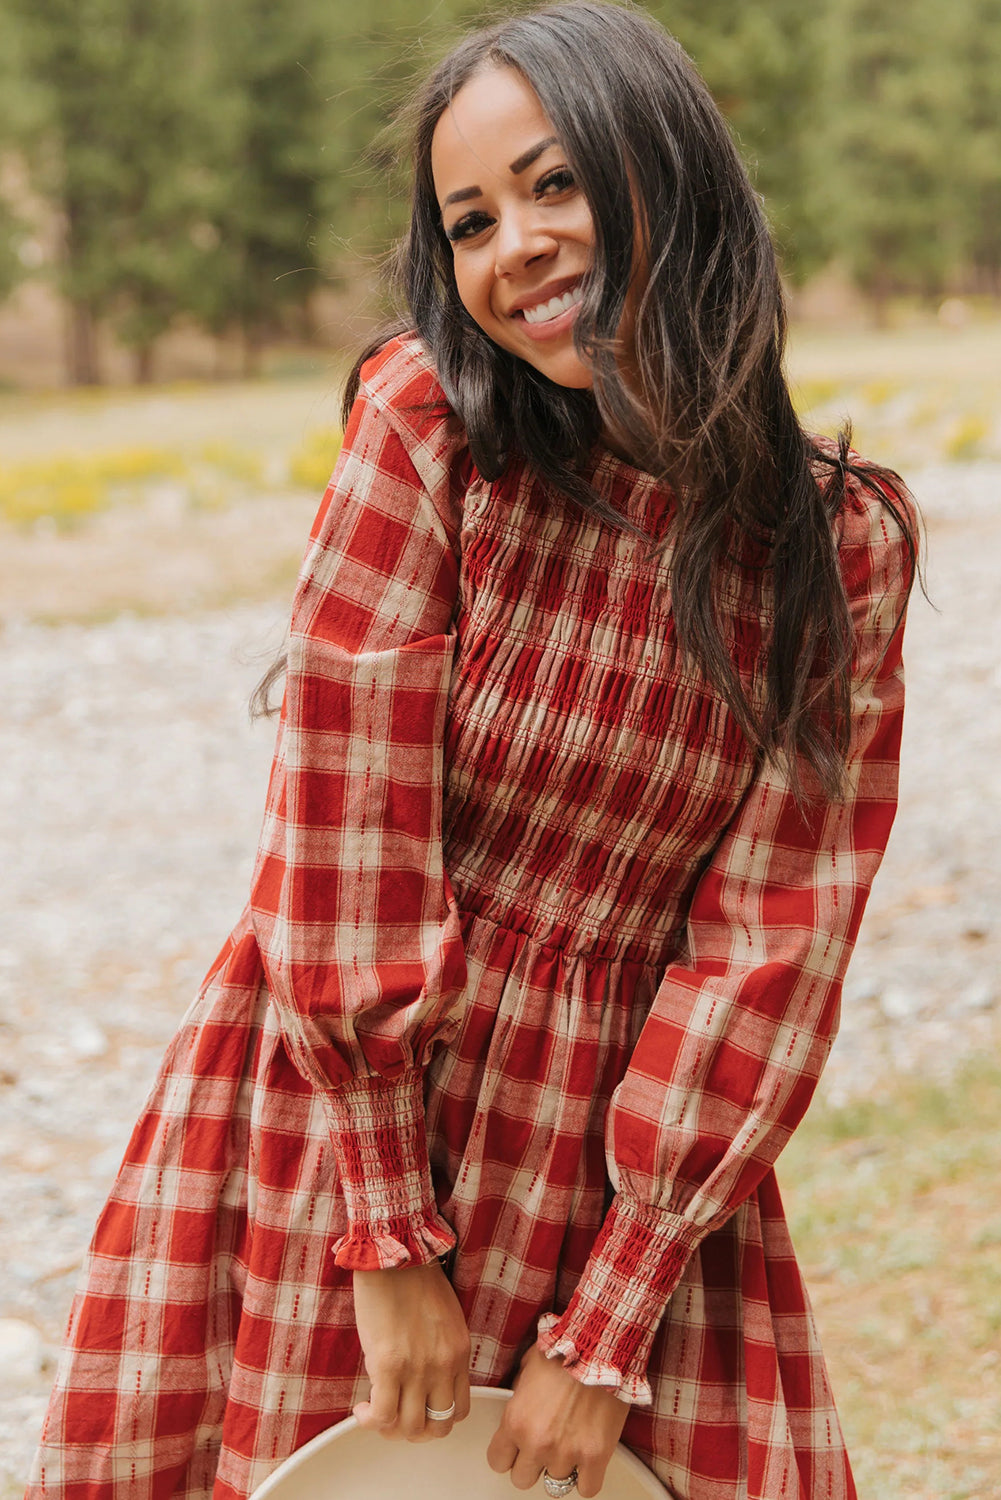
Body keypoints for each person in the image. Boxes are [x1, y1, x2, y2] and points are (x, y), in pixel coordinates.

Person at [26, 4, 918, 1499]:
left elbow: (776, 936)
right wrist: (382, 1236)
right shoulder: (427, 427)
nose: (516, 245)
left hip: (631, 1164)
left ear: (672, 173)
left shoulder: (838, 548)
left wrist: (609, 1318)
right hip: (351, 1126)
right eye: (471, 220)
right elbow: (344, 827)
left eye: (555, 183)